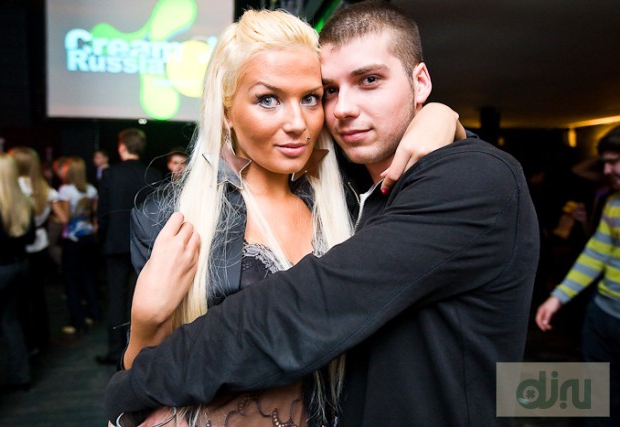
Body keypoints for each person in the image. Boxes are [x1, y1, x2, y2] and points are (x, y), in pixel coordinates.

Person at [105, 2, 539, 426]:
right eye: (330, 91)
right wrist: (144, 324)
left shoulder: (464, 180)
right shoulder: (356, 193)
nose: (341, 108)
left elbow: (299, 312)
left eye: (369, 80)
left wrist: (444, 117)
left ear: (420, 82)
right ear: (227, 110)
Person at [535, 126, 620, 426]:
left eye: (614, 162)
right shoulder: (613, 203)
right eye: (605, 163)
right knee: (598, 401)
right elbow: (596, 253)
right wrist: (558, 297)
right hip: (602, 316)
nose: (606, 171)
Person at [95, 128, 162, 366]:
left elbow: (103, 213)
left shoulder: (110, 174)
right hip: (146, 246)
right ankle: (142, 352)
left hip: (116, 244)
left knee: (117, 299)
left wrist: (101, 239)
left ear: (121, 146)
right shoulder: (153, 173)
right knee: (144, 300)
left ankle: (116, 351)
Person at [0, 152, 35, 411]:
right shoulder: (21, 198)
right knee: (10, 320)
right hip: (18, 266)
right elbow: (29, 237)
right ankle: (21, 375)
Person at [8, 146, 68, 355]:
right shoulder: (45, 189)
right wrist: (44, 218)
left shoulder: (12, 188)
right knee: (38, 297)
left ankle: (28, 345)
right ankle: (43, 341)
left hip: (19, 247)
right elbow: (63, 218)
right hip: (40, 245)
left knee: (19, 301)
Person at [57, 156, 100, 335]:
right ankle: (94, 314)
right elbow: (95, 215)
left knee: (71, 282)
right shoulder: (91, 189)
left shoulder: (65, 190)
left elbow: (65, 218)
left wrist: (52, 214)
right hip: (88, 236)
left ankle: (78, 322)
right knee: (88, 277)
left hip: (73, 239)